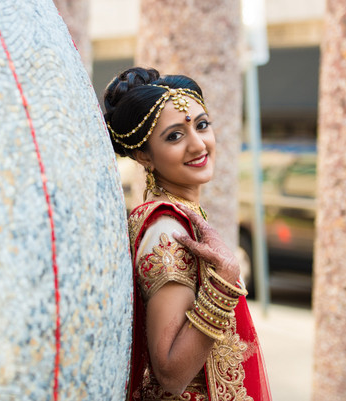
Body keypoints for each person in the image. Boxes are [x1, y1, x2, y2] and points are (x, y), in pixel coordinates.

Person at [104, 67, 271, 401]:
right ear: (144, 156)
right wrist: (225, 282)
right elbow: (170, 373)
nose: (198, 144)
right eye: (175, 136)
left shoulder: (181, 216)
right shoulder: (168, 228)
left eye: (202, 125)